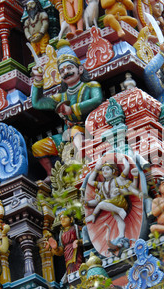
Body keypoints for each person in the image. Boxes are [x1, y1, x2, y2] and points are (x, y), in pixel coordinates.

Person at [31, 40, 103, 184]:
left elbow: (97, 99)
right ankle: (51, 174)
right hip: (66, 135)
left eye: (70, 68)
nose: (66, 72)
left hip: (88, 130)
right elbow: (37, 102)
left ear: (80, 69)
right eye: (62, 71)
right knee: (37, 147)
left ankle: (82, 167)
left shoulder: (91, 86)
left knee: (76, 133)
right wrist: (38, 80)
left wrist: (74, 108)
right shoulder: (61, 96)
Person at [85, 155, 141, 247]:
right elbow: (90, 182)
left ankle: (94, 216)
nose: (104, 172)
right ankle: (121, 235)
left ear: (114, 171)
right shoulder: (102, 185)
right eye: (103, 170)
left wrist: (123, 158)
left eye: (107, 169)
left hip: (120, 203)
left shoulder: (118, 180)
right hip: (111, 206)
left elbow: (126, 168)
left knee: (101, 204)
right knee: (118, 220)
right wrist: (96, 169)